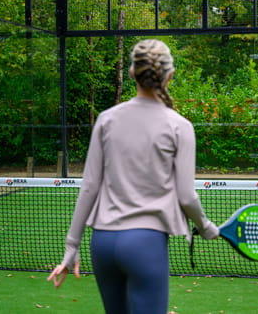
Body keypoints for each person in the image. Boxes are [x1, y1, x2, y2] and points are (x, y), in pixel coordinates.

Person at [47, 39, 219, 314]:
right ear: (169, 76)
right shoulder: (180, 126)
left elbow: (89, 186)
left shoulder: (106, 119)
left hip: (101, 243)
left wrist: (71, 246)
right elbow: (186, 196)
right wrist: (206, 227)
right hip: (145, 244)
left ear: (131, 73)